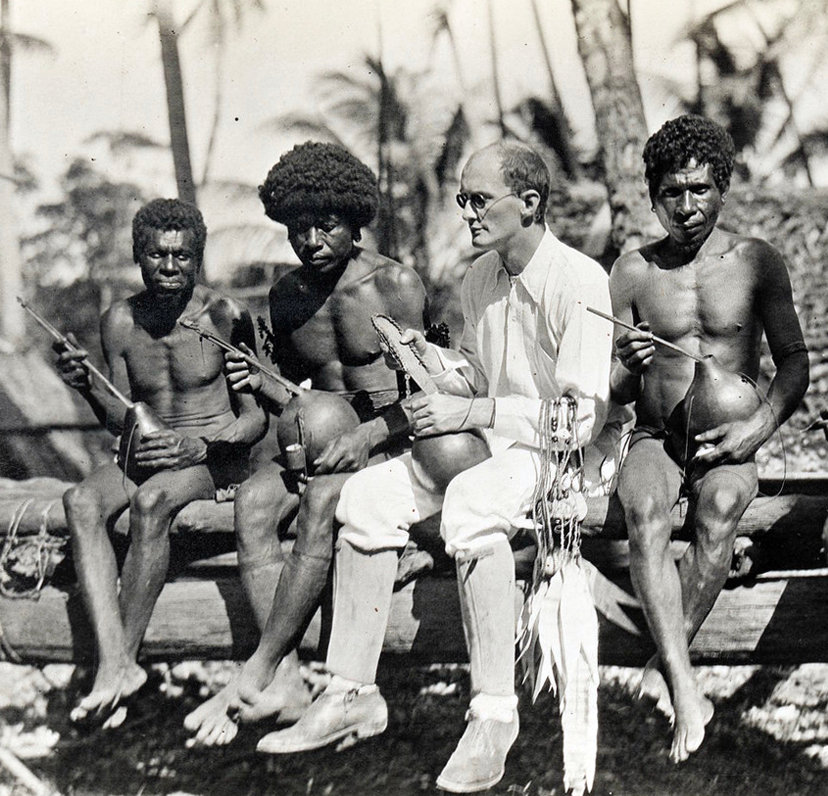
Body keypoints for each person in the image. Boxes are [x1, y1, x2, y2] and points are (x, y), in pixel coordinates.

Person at [255, 141, 614, 794]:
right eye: (462, 200)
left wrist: (469, 413)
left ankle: (493, 717)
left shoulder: (581, 280)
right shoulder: (479, 279)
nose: (467, 213)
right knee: (362, 498)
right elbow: (474, 371)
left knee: (473, 500)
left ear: (530, 203)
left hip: (562, 464)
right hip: (493, 448)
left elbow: (579, 424)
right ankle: (351, 692)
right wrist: (429, 362)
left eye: (480, 200)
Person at [184, 142, 427, 746]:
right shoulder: (288, 296)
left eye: (327, 225)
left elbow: (430, 393)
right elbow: (292, 395)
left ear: (355, 219)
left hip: (387, 440)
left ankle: (260, 664)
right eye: (299, 229)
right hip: (318, 440)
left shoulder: (395, 284)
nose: (312, 240)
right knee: (253, 506)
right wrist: (253, 377)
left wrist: (370, 434)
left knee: (322, 503)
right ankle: (287, 683)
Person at [609, 115, 809, 763]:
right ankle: (687, 687)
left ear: (722, 187)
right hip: (656, 438)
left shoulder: (755, 261)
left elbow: (795, 363)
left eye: (699, 190)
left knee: (722, 510)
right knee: (642, 513)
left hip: (733, 435)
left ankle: (660, 671)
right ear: (654, 195)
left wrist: (758, 428)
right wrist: (627, 366)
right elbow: (608, 389)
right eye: (672, 193)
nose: (687, 207)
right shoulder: (634, 271)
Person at [58, 198, 267, 727]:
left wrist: (202, 447)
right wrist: (85, 387)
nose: (169, 267)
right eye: (156, 256)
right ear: (138, 256)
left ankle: (119, 664)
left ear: (198, 258)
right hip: (147, 453)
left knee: (152, 500)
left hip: (213, 459)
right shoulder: (120, 321)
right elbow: (120, 417)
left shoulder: (226, 316)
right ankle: (116, 665)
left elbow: (256, 419)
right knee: (79, 500)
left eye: (182, 256)